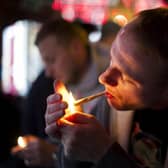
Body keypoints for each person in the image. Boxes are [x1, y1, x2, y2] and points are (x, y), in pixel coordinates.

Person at [45, 8, 168, 168]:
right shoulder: (111, 109)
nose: (103, 78)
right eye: (112, 59)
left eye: (127, 77)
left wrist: (105, 154)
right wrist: (69, 143)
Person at [12, 19, 111, 168]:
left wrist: (55, 155)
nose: (47, 72)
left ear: (76, 47)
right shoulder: (45, 84)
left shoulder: (114, 77)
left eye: (51, 60)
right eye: (44, 63)